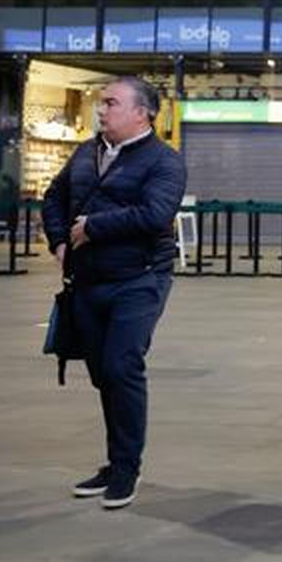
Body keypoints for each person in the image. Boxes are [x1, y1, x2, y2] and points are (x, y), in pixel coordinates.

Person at [43, 77, 187, 511]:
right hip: (88, 281)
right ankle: (113, 461)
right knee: (103, 373)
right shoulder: (86, 153)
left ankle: (127, 469)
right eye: (101, 103)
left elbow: (156, 213)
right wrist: (58, 239)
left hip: (140, 279)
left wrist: (92, 227)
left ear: (141, 113)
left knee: (123, 365)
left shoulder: (165, 161)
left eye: (111, 103)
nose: (101, 110)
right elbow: (54, 196)